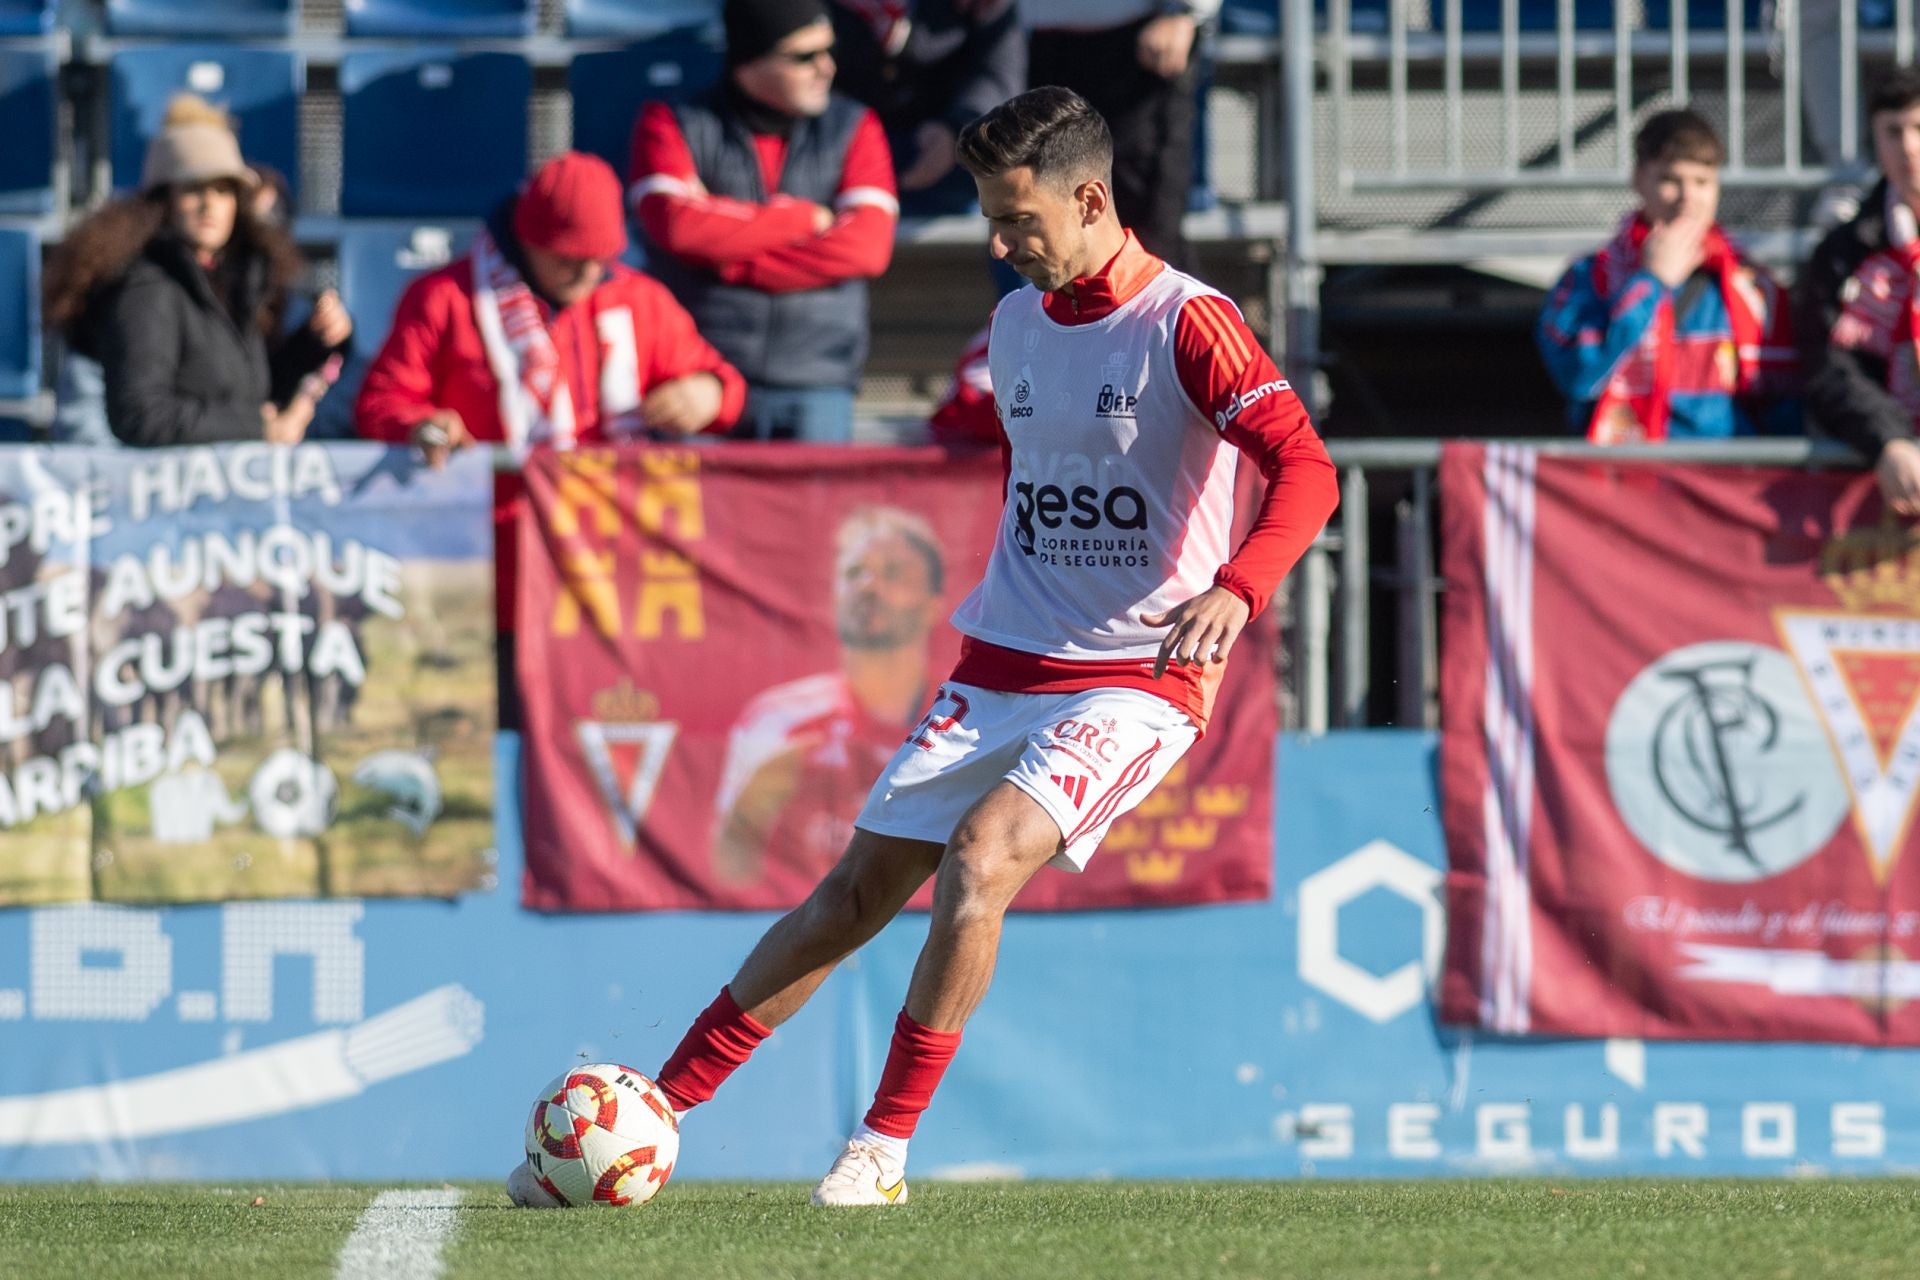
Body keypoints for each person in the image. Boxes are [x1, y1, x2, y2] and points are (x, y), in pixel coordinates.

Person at [508, 86, 1338, 1211]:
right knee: (851, 895)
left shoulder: (1189, 321)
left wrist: (1239, 587)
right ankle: (651, 1112)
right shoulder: (1013, 326)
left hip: (1140, 675)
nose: (1000, 244)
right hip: (1003, 662)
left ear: (1090, 199)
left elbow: (1308, 468)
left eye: (1018, 219)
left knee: (983, 856)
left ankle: (882, 1147)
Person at [355, 150, 747, 725]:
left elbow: (727, 388)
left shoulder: (638, 300)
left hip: (614, 579)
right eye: (569, 261)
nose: (588, 275)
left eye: (600, 260)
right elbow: (382, 401)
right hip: (492, 574)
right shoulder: (446, 299)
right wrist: (421, 425)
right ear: (528, 240)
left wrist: (707, 394)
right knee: (502, 737)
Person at [629, 0, 897, 443]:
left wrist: (731, 260)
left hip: (817, 377)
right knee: (704, 516)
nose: (826, 68)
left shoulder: (855, 126)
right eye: (804, 57)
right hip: (701, 376)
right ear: (751, 61)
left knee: (816, 516)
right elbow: (677, 228)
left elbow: (868, 247)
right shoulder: (672, 121)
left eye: (829, 51)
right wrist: (801, 219)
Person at [41, 94, 352, 447]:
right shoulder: (146, 288)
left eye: (223, 190)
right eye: (193, 190)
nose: (210, 205)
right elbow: (141, 416)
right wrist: (257, 428)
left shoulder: (230, 279)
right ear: (164, 202)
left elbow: (241, 393)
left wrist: (314, 342)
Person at [712, 507, 945, 897]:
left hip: (920, 940)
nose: (869, 586)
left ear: (933, 605)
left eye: (892, 573)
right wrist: (747, 817)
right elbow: (724, 872)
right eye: (854, 573)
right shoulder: (777, 720)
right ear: (833, 595)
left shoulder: (967, 722)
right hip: (806, 936)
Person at [1537, 108, 1798, 443]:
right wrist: (1651, 282)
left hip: (1721, 484)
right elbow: (1579, 376)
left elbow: (1786, 411)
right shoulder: (1587, 279)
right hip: (1621, 484)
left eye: (1702, 182)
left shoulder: (1754, 289)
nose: (1688, 199)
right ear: (1638, 179)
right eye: (1671, 180)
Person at [1800, 67, 1920, 517]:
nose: (1908, 146)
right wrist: (1888, 439)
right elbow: (1827, 365)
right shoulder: (1843, 253)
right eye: (1893, 131)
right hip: (1875, 484)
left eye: (1918, 128)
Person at [1023, 0, 1215, 268]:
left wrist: (1185, 12)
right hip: (1036, 41)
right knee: (1052, 223)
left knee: (1148, 232)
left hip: (1139, 45)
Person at [827, 0, 1025, 216]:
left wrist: (956, 130)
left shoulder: (981, 6)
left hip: (941, 156)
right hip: (835, 153)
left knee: (1004, 175)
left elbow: (996, 74)